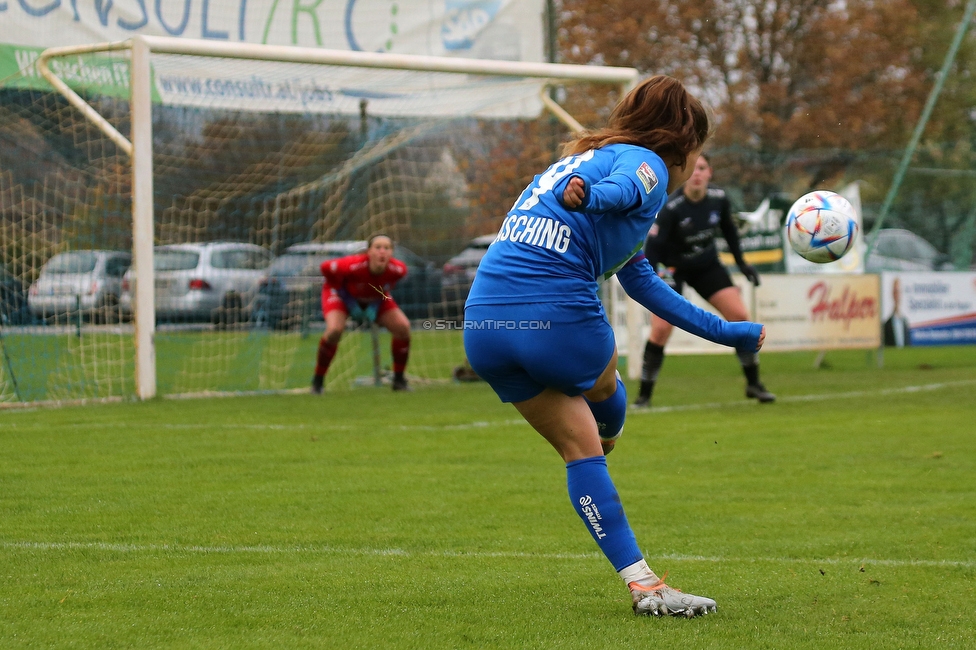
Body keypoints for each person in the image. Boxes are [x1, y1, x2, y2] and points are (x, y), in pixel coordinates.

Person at [463, 76, 765, 617]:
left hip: (483, 325)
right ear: (682, 146)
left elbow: (646, 285)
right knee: (607, 394)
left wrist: (729, 332)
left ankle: (646, 588)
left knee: (582, 450)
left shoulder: (584, 159)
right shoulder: (646, 164)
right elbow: (624, 189)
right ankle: (610, 431)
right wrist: (591, 199)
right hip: (554, 315)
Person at [633, 153, 775, 408]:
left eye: (703, 168)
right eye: (693, 169)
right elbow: (653, 249)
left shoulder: (719, 199)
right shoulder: (671, 207)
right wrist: (650, 284)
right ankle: (644, 396)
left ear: (710, 173)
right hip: (671, 268)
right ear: (686, 174)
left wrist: (742, 264)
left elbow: (730, 232)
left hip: (706, 265)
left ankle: (754, 384)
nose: (697, 173)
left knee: (740, 316)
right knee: (662, 328)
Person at [311, 234, 412, 393]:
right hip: (341, 295)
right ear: (369, 252)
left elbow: (384, 287)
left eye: (387, 248)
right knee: (334, 331)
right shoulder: (352, 265)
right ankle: (318, 381)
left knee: (403, 327)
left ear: (392, 252)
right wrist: (349, 301)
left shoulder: (398, 270)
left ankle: (399, 380)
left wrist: (374, 304)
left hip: (374, 298)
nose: (382, 252)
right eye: (378, 247)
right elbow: (325, 267)